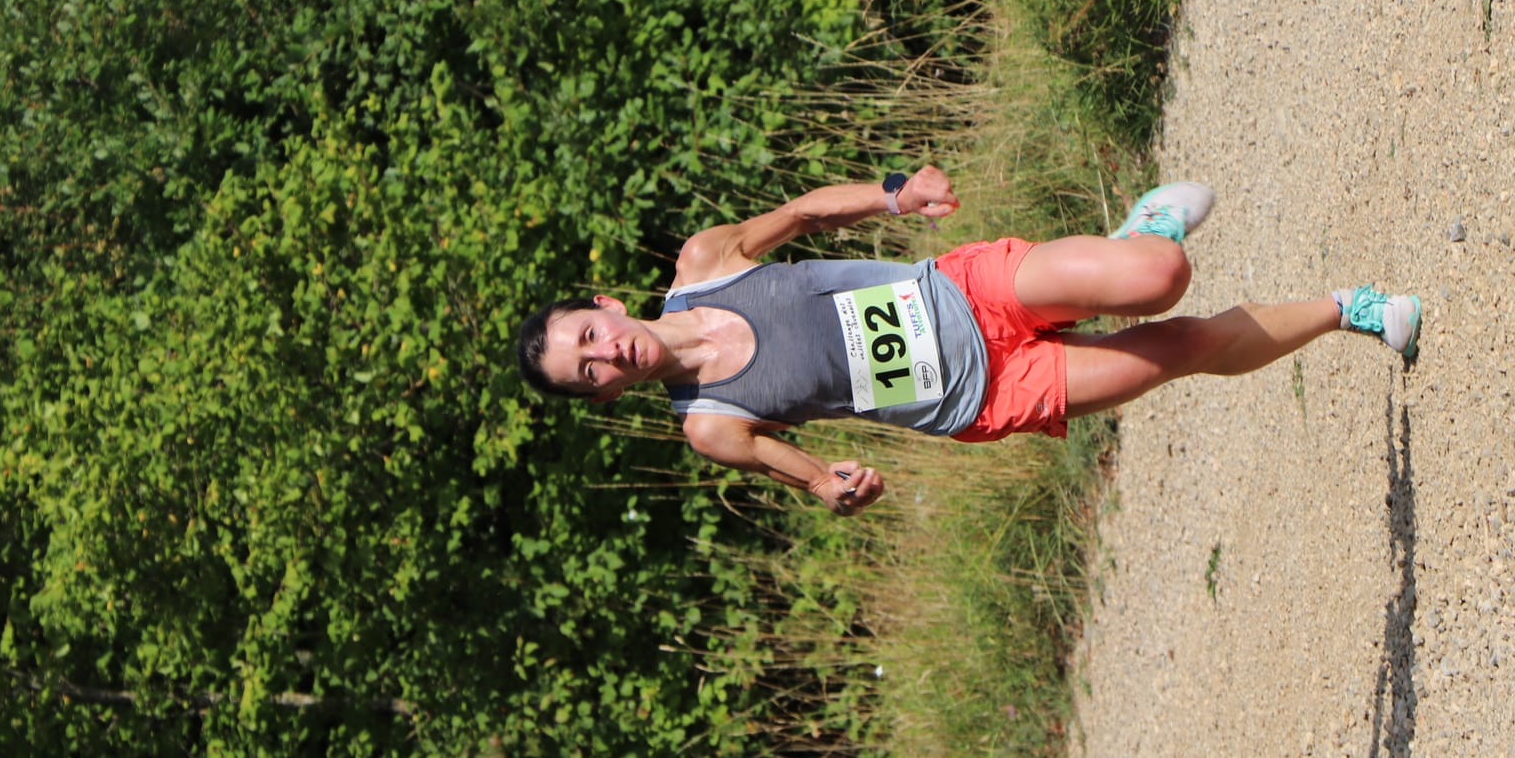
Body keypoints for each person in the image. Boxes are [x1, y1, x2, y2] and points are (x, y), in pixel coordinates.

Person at [516, 167, 1419, 515]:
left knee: (1159, 279)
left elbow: (796, 214)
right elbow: (815, 478)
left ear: (604, 304)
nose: (605, 354)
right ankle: (1351, 308)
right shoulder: (710, 425)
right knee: (1178, 352)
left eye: (589, 335)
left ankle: (1143, 233)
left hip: (959, 289)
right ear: (600, 396)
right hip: (977, 395)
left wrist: (894, 194)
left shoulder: (706, 260)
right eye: (587, 370)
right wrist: (843, 489)